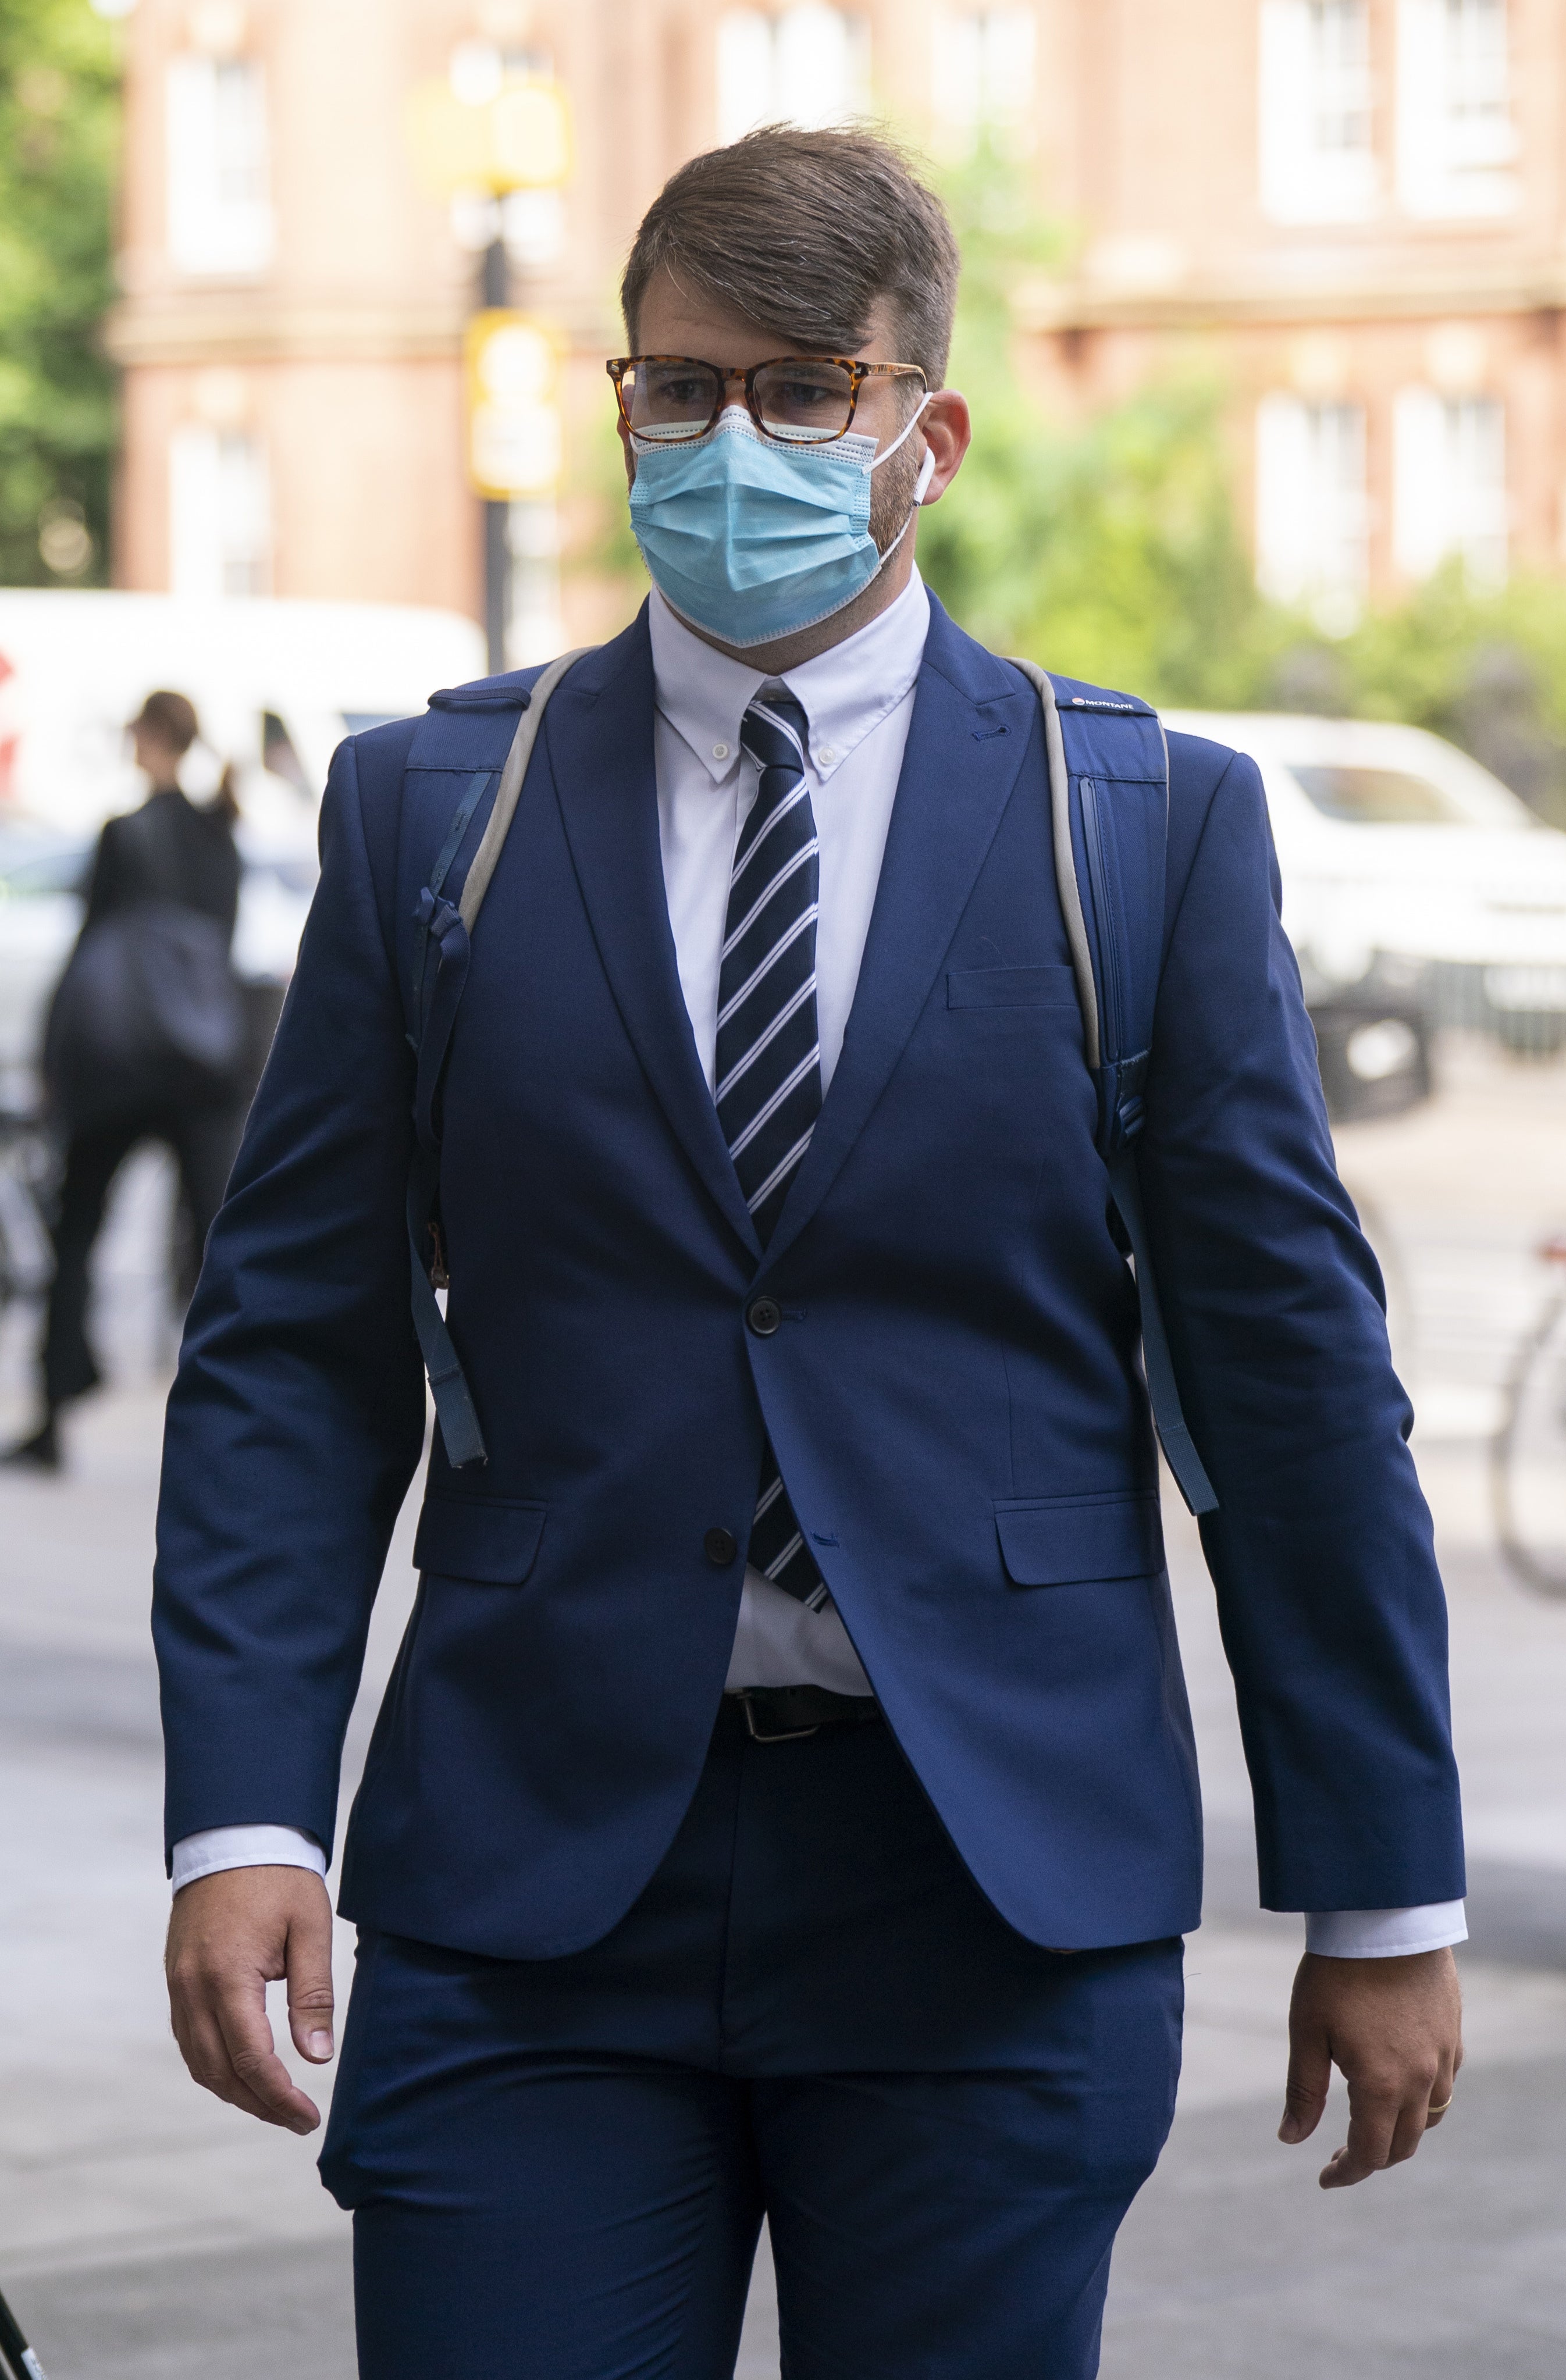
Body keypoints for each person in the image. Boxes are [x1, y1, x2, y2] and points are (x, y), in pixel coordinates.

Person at [157, 129, 1465, 2380]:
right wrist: (242, 1810)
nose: (725, 444)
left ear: (921, 434)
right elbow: (294, 1348)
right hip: (529, 1876)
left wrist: (1379, 1884)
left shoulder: (1134, 828)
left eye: (796, 393)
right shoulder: (428, 816)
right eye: (674, 392)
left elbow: (1287, 1383)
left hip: (986, 1881)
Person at [5, 691, 244, 1472]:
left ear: (148, 739)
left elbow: (88, 951)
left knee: (77, 1230)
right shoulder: (221, 834)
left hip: (118, 1067)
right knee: (217, 1246)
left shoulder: (123, 835)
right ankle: (236, 1421)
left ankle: (53, 1412)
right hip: (199, 1066)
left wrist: (52, 1060)